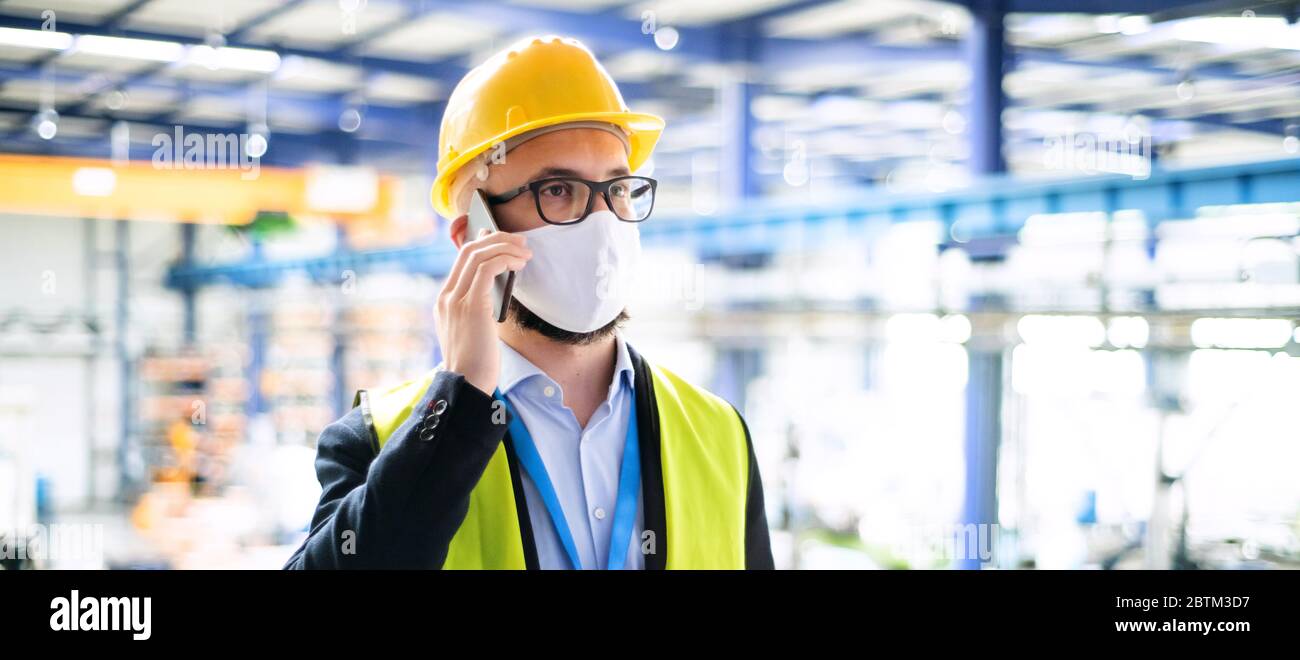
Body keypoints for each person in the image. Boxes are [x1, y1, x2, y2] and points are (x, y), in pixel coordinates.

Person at [284, 35, 773, 570]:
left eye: (617, 188)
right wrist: (457, 406)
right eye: (558, 189)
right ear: (474, 235)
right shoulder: (378, 437)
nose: (602, 220)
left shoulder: (718, 433)